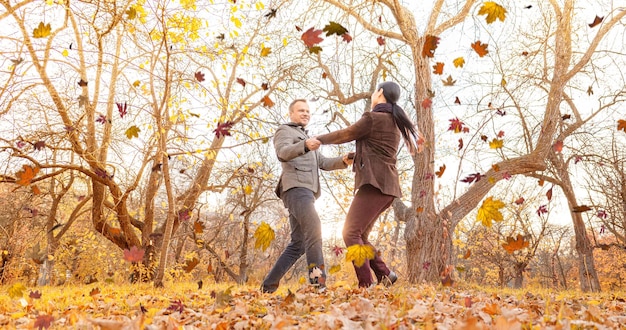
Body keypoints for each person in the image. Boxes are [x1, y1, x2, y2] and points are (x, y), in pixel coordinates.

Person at [314, 81, 423, 288]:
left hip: (375, 185)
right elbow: (381, 153)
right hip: (387, 188)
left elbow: (346, 133)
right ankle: (385, 275)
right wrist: (355, 157)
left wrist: (318, 139)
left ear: (380, 93)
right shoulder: (393, 121)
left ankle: (366, 284)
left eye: (375, 91)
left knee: (350, 232)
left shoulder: (373, 118)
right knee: (360, 235)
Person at [261, 98, 353, 293]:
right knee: (315, 228)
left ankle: (268, 286)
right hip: (295, 189)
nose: (305, 114)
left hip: (307, 193)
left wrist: (343, 161)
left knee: (298, 244)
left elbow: (324, 163)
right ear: (291, 114)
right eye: (301, 110)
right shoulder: (285, 131)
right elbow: (283, 152)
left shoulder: (308, 138)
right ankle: (317, 285)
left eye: (308, 111)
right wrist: (305, 145)